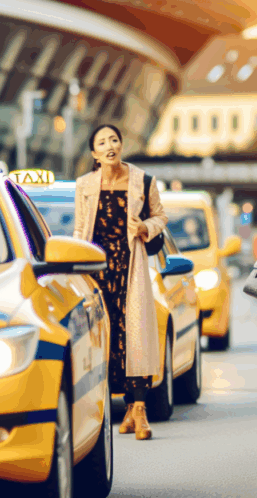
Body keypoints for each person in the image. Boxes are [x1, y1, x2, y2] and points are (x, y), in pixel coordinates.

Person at [73, 124, 168, 440]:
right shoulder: (84, 185)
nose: (110, 145)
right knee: (107, 337)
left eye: (114, 139)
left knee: (135, 336)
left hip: (131, 266)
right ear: (94, 153)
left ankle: (139, 410)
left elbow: (160, 217)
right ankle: (126, 408)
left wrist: (145, 228)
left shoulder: (143, 180)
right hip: (97, 271)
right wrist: (74, 266)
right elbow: (80, 229)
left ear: (121, 145)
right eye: (102, 142)